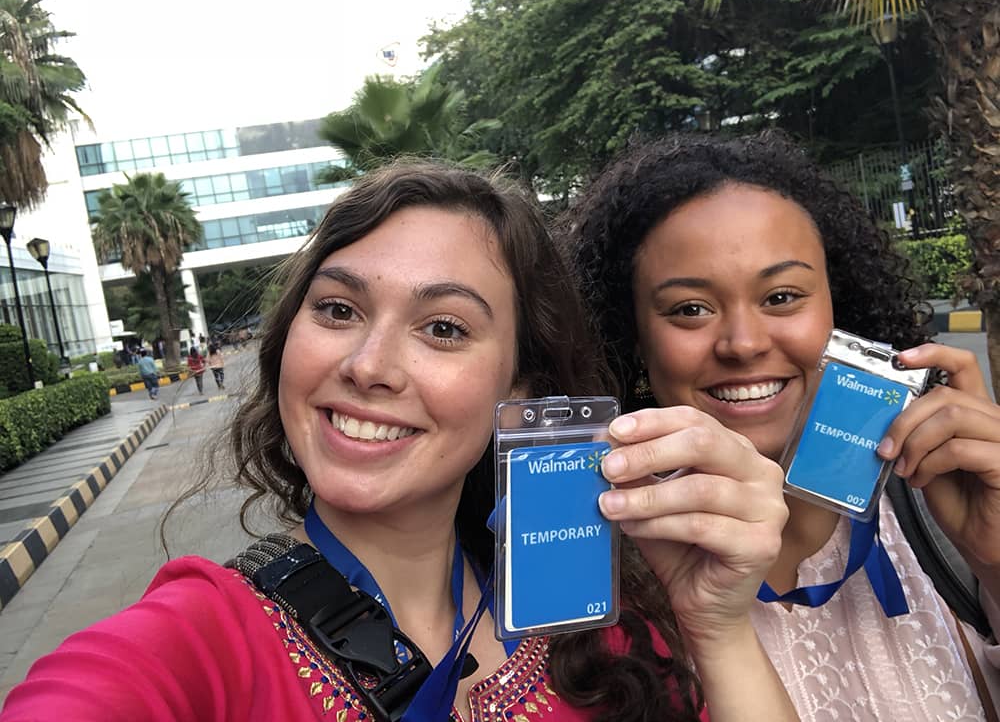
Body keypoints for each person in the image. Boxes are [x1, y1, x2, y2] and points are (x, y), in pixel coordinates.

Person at [0, 162, 796, 722]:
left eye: (443, 327)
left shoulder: (595, 624)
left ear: (519, 388)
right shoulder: (197, 644)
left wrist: (716, 626)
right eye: (338, 310)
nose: (368, 366)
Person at [569, 130, 1000, 721]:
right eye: (690, 309)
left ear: (836, 306)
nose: (743, 344)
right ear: (630, 335)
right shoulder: (597, 562)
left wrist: (994, 560)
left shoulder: (935, 507)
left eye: (782, 297)